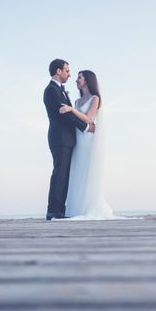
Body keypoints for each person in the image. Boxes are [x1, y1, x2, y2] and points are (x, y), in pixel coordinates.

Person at [58, 70, 115, 219]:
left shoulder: (95, 98)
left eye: (80, 77)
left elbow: (89, 118)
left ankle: (88, 206)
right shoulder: (77, 101)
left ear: (88, 81)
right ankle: (76, 208)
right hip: (78, 139)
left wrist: (70, 109)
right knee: (77, 171)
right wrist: (72, 108)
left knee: (87, 171)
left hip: (88, 140)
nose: (76, 80)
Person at [43, 59, 95, 220]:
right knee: (60, 174)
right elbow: (65, 114)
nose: (69, 74)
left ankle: (59, 210)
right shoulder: (51, 90)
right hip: (60, 138)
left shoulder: (60, 90)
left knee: (64, 175)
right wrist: (85, 127)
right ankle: (54, 210)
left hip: (66, 139)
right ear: (58, 71)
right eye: (66, 70)